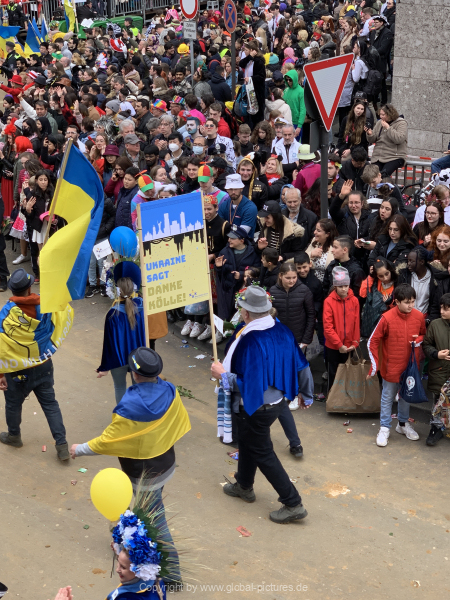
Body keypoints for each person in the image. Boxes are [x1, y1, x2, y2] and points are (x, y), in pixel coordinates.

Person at [71, 346, 190, 589]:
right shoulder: (170, 390)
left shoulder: (130, 405)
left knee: (157, 521)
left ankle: (173, 576)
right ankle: (126, 546)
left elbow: (109, 440)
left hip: (143, 475)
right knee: (142, 512)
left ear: (134, 374)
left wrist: (79, 449)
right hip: (165, 464)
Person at [211, 286, 314, 524]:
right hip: (277, 402)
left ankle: (293, 503)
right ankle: (244, 485)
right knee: (249, 443)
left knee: (263, 452)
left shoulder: (250, 339)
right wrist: (306, 394)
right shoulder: (282, 329)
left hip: (255, 406)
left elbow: (248, 383)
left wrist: (222, 375)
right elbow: (302, 365)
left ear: (246, 313)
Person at [0, 269, 71, 462]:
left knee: (13, 404)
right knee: (50, 404)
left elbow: (1, 347)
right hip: (43, 364)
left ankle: (14, 436)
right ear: (30, 287)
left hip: (17, 369)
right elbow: (61, 310)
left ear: (12, 290)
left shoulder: (6, 314)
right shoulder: (46, 304)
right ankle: (62, 445)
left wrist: (1, 374)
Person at [367, 284, 425, 447]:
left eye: (413, 301)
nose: (411, 305)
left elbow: (423, 334)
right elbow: (372, 341)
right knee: (387, 397)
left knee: (406, 396)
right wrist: (374, 366)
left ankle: (403, 424)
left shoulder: (419, 316)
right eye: (407, 302)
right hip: (391, 366)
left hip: (410, 367)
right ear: (397, 302)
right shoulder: (386, 318)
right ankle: (384, 427)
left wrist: (418, 340)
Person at [97, 265, 146, 404]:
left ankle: (122, 414)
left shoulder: (113, 313)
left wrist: (104, 367)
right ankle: (138, 412)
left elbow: (108, 343)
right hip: (138, 357)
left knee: (119, 387)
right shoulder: (142, 309)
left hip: (118, 359)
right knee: (138, 387)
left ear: (117, 289)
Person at [323, 266, 360, 390]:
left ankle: (345, 398)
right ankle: (332, 398)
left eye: (346, 286)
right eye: (340, 286)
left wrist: (355, 342)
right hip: (333, 346)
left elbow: (356, 323)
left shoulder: (354, 301)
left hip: (349, 346)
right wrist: (339, 345)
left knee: (347, 374)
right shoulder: (329, 301)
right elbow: (328, 327)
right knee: (333, 374)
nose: (344, 289)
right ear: (335, 286)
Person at [214, 225, 260, 321]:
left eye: (232, 238)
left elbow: (257, 270)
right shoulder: (224, 251)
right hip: (227, 291)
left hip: (243, 292)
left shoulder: (252, 253)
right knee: (225, 317)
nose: (229, 240)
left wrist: (242, 275)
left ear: (241, 240)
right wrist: (218, 267)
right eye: (229, 238)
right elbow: (220, 274)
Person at [423, 293, 450, 446]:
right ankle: (435, 429)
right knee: (438, 403)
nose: (441, 311)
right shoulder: (435, 325)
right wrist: (436, 354)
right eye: (441, 308)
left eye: (446, 309)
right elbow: (426, 345)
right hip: (439, 369)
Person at [270, 263, 315, 352]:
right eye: (288, 278)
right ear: (280, 276)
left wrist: (306, 339)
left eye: (294, 277)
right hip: (278, 337)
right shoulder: (272, 291)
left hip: (298, 338)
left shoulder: (304, 290)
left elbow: (311, 314)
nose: (291, 281)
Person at [397, 246, 440, 319]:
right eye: (408, 261)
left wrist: (429, 320)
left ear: (422, 262)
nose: (408, 264)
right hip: (406, 318)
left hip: (425, 319)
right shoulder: (404, 275)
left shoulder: (435, 278)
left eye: (412, 261)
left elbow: (435, 305)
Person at [365, 104, 408, 177]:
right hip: (378, 156)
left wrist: (388, 128)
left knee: (383, 175)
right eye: (380, 114)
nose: (381, 117)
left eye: (383, 115)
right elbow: (373, 140)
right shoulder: (379, 123)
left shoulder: (401, 123)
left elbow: (399, 139)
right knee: (372, 176)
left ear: (390, 114)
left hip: (394, 156)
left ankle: (385, 184)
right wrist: (370, 134)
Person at [218, 174, 258, 238]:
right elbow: (219, 226)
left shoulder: (250, 207)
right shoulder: (224, 205)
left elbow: (242, 233)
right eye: (230, 189)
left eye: (236, 189)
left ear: (241, 189)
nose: (233, 192)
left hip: (244, 242)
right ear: (227, 189)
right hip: (225, 241)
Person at [282, 69, 306, 138]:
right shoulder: (286, 90)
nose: (288, 81)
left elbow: (303, 109)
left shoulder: (301, 91)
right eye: (287, 79)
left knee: (296, 143)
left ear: (295, 79)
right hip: (285, 121)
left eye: (290, 80)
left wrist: (299, 126)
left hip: (296, 123)